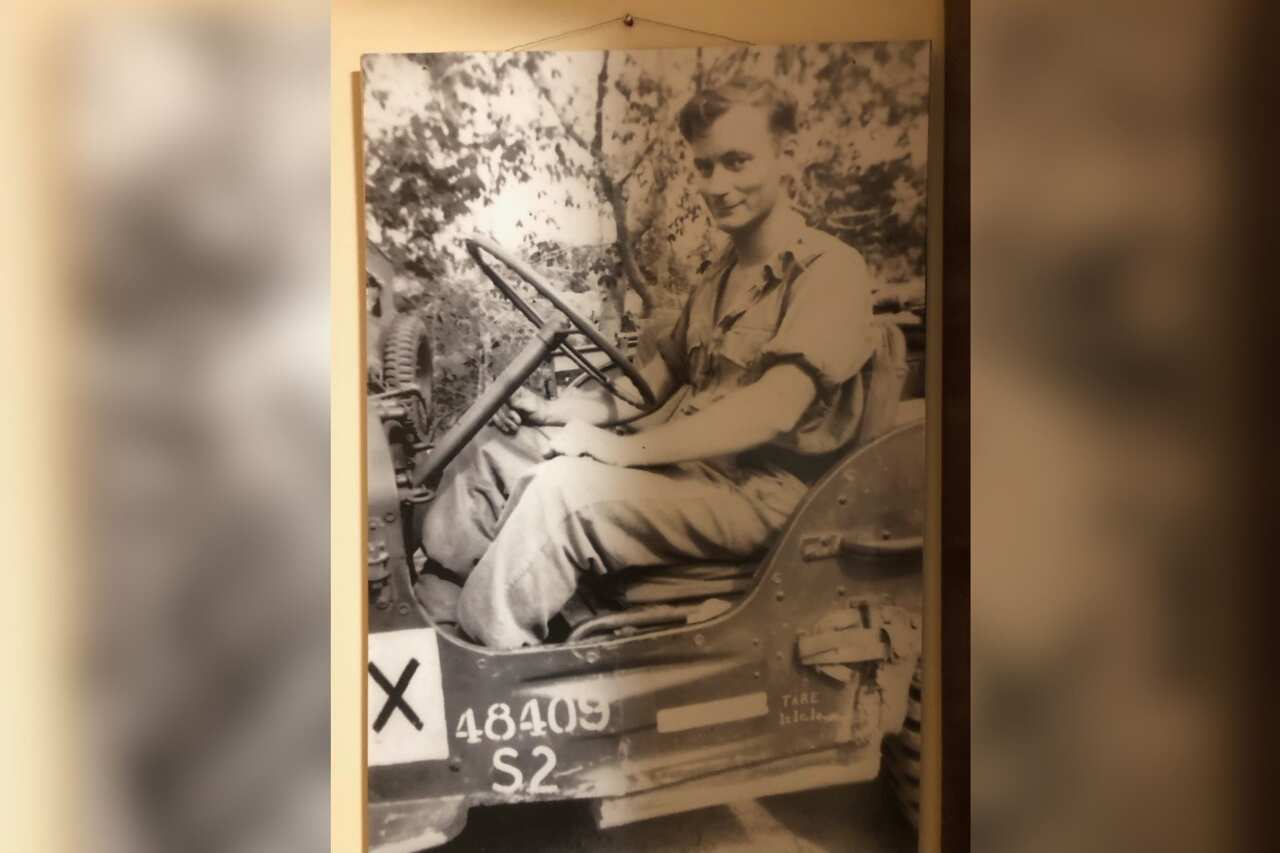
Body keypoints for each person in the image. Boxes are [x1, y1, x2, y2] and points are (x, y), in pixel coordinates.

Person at [421, 77, 878, 648]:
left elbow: (774, 409)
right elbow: (646, 391)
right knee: (500, 457)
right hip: (691, 476)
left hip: (762, 500)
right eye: (705, 167)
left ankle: (490, 669)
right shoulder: (717, 280)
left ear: (788, 155)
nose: (717, 185)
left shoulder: (832, 272)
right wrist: (552, 411)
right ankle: (428, 622)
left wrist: (622, 450)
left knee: (565, 494)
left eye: (737, 162)